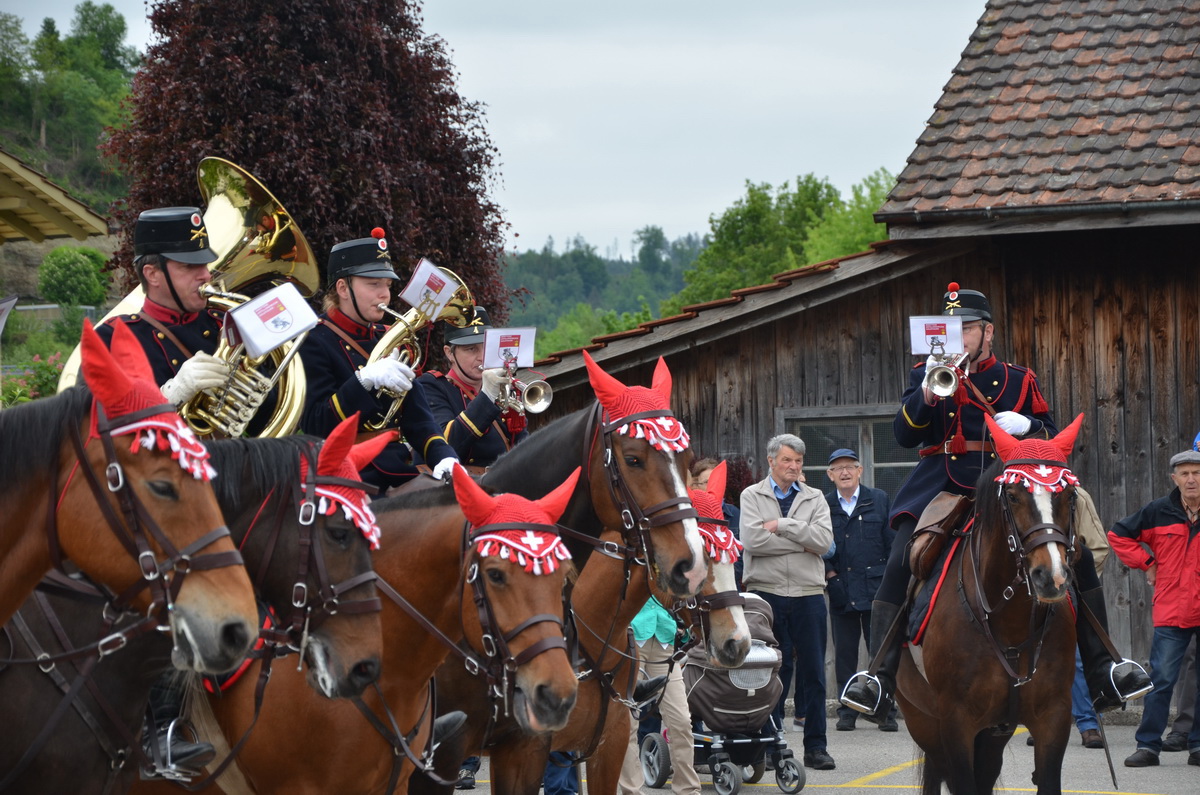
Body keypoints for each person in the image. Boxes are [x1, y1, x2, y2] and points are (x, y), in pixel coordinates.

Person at [840, 281, 1150, 724]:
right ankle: (879, 677)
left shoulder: (1019, 379)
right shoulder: (924, 372)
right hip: (941, 482)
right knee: (900, 558)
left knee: (1075, 553)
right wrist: (926, 393)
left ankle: (1105, 670)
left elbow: (1050, 435)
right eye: (950, 330)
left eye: (966, 329)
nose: (958, 338)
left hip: (1009, 484)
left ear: (988, 332)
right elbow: (904, 436)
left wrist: (1027, 425)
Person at [299, 229, 458, 490]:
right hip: (342, 475)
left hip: (396, 469)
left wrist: (444, 456)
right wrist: (363, 380)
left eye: (388, 285)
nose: (385, 294)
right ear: (343, 288)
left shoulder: (389, 338)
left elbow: (419, 419)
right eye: (374, 284)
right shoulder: (314, 340)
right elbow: (315, 424)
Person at [740, 433, 835, 771]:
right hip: (766, 593)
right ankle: (770, 746)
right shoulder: (752, 495)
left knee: (814, 674)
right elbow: (752, 541)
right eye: (787, 460)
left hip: (809, 593)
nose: (793, 466)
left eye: (798, 461)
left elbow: (823, 543)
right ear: (771, 461)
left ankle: (816, 748)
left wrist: (781, 525)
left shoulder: (815, 496)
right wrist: (802, 542)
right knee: (768, 672)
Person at [1109, 449, 1200, 768]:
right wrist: (1147, 563)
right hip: (1171, 610)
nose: (1191, 479)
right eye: (1185, 473)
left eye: (1197, 473)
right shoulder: (1159, 511)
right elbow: (1118, 535)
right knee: (1161, 680)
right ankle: (1148, 746)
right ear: (1175, 478)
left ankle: (1197, 746)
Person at [95, 207, 231, 404]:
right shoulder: (114, 337)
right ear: (152, 275)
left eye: (205, 265)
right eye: (189, 266)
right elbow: (91, 414)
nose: (206, 276)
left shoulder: (224, 324)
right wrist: (166, 397)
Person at [822, 448, 896, 733]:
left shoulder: (878, 499)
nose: (845, 472)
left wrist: (890, 581)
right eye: (838, 468)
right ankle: (847, 710)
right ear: (830, 475)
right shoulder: (824, 504)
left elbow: (891, 542)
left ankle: (884, 710)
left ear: (860, 470)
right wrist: (830, 573)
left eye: (850, 467)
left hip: (876, 589)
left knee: (881, 654)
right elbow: (817, 542)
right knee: (845, 655)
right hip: (842, 589)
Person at [414, 307, 527, 474]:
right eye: (471, 349)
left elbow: (521, 443)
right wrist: (486, 397)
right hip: (454, 484)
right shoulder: (431, 386)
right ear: (449, 353)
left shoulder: (502, 389)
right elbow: (446, 445)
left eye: (486, 347)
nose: (482, 357)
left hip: (501, 480)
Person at [616, 596, 701, 795]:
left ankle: (688, 790)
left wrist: (685, 627)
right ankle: (631, 791)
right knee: (627, 724)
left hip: (666, 641)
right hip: (629, 640)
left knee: (681, 721)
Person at [691, 457, 742, 588]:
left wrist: (727, 574)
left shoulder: (735, 513)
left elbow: (742, 553)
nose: (713, 486)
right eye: (707, 482)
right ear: (695, 485)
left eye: (716, 481)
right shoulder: (689, 517)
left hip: (730, 585)